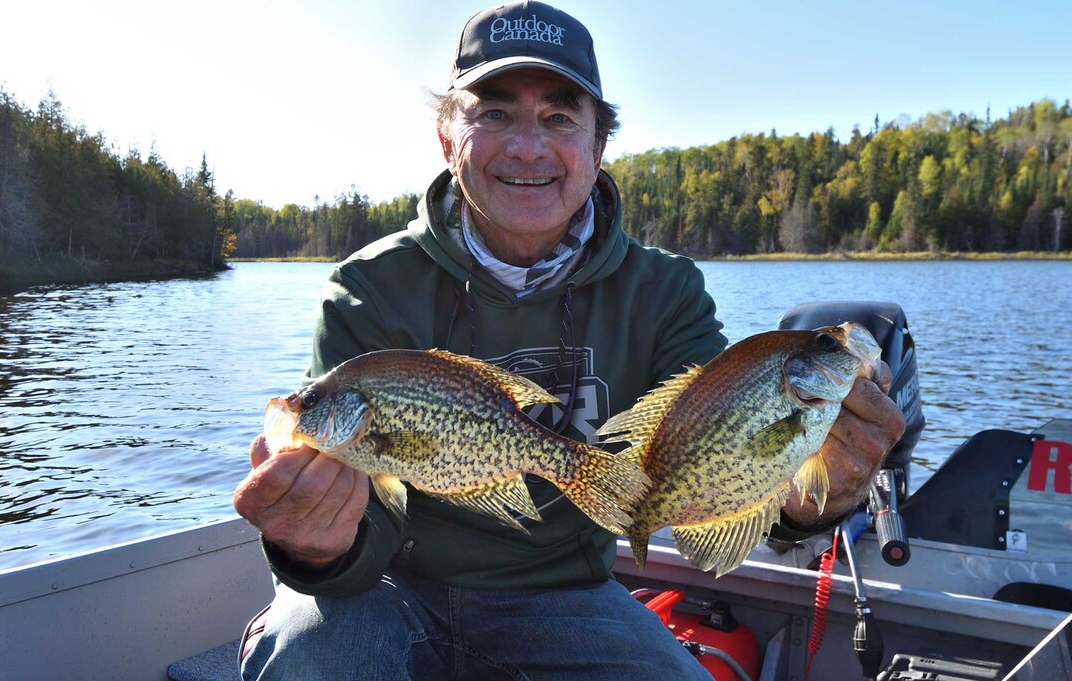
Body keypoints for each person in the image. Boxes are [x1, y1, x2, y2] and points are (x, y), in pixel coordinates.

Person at [233, 2, 907, 679]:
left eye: (559, 117)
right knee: (306, 649)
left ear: (597, 145)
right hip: (385, 591)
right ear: (446, 137)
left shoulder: (664, 292)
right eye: (493, 113)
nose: (528, 146)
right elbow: (363, 525)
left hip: (570, 596)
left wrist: (821, 487)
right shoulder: (369, 289)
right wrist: (314, 544)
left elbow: (722, 451)